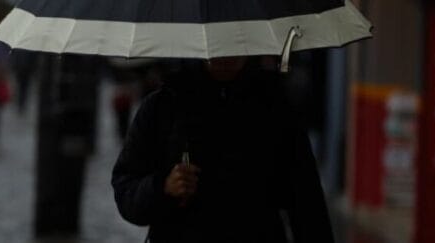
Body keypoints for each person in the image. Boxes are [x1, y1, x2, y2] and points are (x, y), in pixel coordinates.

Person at [111, 56, 334, 243]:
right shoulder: (164, 107)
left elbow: (307, 204)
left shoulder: (276, 108)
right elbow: (126, 189)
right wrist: (162, 187)